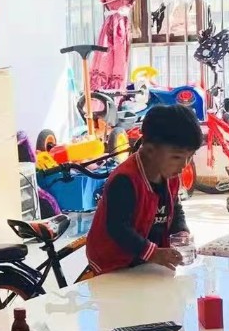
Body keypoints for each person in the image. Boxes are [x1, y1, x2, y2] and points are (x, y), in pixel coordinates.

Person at [84, 104, 203, 275]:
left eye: (190, 157)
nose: (184, 165)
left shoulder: (170, 176)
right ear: (149, 151)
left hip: (146, 262)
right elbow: (118, 229)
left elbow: (175, 209)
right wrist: (153, 253)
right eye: (177, 157)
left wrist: (181, 232)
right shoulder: (125, 180)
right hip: (114, 264)